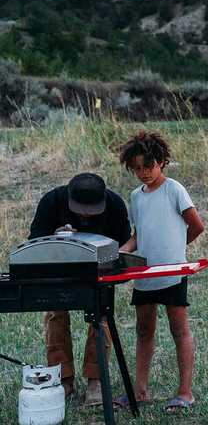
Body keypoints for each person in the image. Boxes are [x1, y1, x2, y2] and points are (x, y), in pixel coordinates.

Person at [114, 131, 205, 413]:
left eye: (148, 166)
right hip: (145, 275)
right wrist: (121, 252)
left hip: (172, 273)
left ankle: (185, 392)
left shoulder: (174, 189)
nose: (143, 173)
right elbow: (138, 235)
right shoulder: (136, 197)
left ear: (162, 162)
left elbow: (197, 225)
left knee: (179, 329)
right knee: (143, 331)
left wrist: (176, 250)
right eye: (137, 168)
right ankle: (139, 391)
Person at [28, 172, 131, 405]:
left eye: (91, 210)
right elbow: (34, 242)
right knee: (55, 316)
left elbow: (125, 244)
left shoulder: (114, 204)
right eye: (80, 209)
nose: (85, 215)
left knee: (101, 317)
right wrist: (56, 238)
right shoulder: (51, 201)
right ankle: (63, 379)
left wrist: (107, 256)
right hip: (58, 272)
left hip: (99, 272)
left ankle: (96, 379)